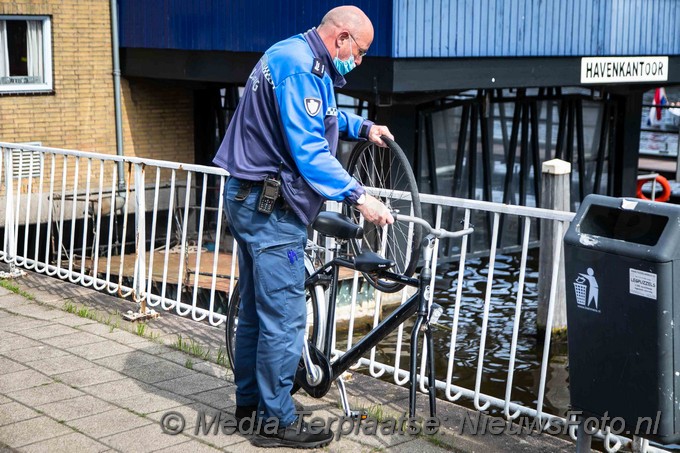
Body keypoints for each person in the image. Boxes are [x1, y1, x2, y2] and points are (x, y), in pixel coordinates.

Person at [212, 5, 394, 449]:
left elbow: (322, 116)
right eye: (362, 51)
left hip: (249, 197)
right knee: (285, 318)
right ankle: (277, 421)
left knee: (256, 311)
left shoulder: (295, 55)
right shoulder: (301, 70)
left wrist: (363, 126)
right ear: (343, 38)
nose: (360, 60)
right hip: (271, 209)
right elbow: (310, 151)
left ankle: (248, 406)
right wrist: (360, 196)